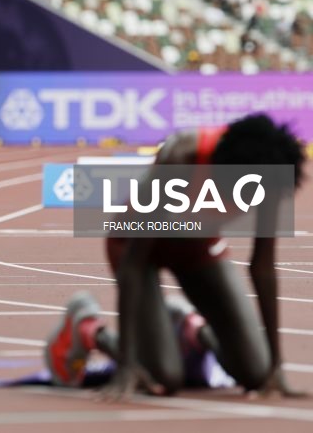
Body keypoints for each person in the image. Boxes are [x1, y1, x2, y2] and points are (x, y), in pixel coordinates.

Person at [45, 113, 307, 399]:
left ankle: (190, 330)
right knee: (164, 378)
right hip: (138, 242)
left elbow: (262, 266)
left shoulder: (271, 170)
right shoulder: (182, 156)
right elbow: (134, 261)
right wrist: (127, 363)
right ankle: (88, 329)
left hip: (197, 243)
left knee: (257, 373)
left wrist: (276, 366)